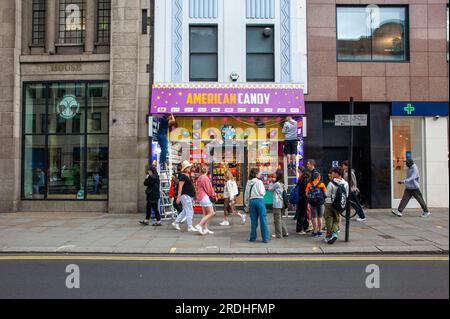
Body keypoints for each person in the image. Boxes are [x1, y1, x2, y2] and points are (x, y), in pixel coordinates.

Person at [172, 160, 198, 232]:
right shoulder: (183, 175)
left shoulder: (186, 175)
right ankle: (190, 226)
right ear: (185, 168)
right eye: (188, 167)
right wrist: (178, 197)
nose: (190, 168)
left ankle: (176, 222)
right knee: (190, 211)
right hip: (185, 196)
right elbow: (180, 187)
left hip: (187, 196)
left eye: (189, 167)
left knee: (185, 211)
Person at [324, 168, 349, 245]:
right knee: (336, 219)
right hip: (338, 204)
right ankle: (334, 234)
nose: (332, 174)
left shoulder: (331, 183)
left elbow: (327, 194)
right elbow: (347, 195)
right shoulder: (345, 183)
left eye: (333, 173)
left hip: (329, 203)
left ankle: (328, 236)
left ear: (336, 174)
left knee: (329, 219)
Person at [244, 168, 269, 243]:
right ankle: (265, 238)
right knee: (263, 220)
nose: (260, 174)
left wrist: (247, 204)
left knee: (253, 221)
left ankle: (253, 237)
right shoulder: (259, 182)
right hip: (259, 201)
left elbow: (246, 194)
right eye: (259, 173)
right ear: (256, 174)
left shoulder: (249, 182)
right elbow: (262, 192)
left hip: (252, 201)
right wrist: (264, 191)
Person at [195, 165, 217, 235]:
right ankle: (199, 225)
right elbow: (209, 189)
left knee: (205, 214)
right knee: (211, 213)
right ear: (207, 170)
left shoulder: (199, 178)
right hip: (205, 197)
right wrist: (214, 195)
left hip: (201, 197)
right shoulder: (205, 178)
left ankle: (205, 229)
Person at [268, 169, 289, 239]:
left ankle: (278, 234)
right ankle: (285, 232)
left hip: (277, 203)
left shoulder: (277, 184)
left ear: (277, 175)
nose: (273, 175)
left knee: (277, 220)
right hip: (282, 203)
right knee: (280, 218)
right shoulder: (282, 183)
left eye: (275, 174)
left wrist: (271, 182)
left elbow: (270, 189)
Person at [305, 171, 327, 237]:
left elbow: (306, 194)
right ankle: (319, 231)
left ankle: (315, 231)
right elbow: (326, 194)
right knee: (320, 217)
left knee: (314, 217)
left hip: (312, 203)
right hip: (320, 203)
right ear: (318, 177)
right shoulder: (322, 184)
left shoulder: (309, 184)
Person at [296, 168, 311, 234]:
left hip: (300, 199)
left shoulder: (300, 181)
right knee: (303, 214)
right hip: (304, 199)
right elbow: (307, 192)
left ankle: (304, 227)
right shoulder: (306, 183)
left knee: (302, 214)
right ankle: (300, 229)